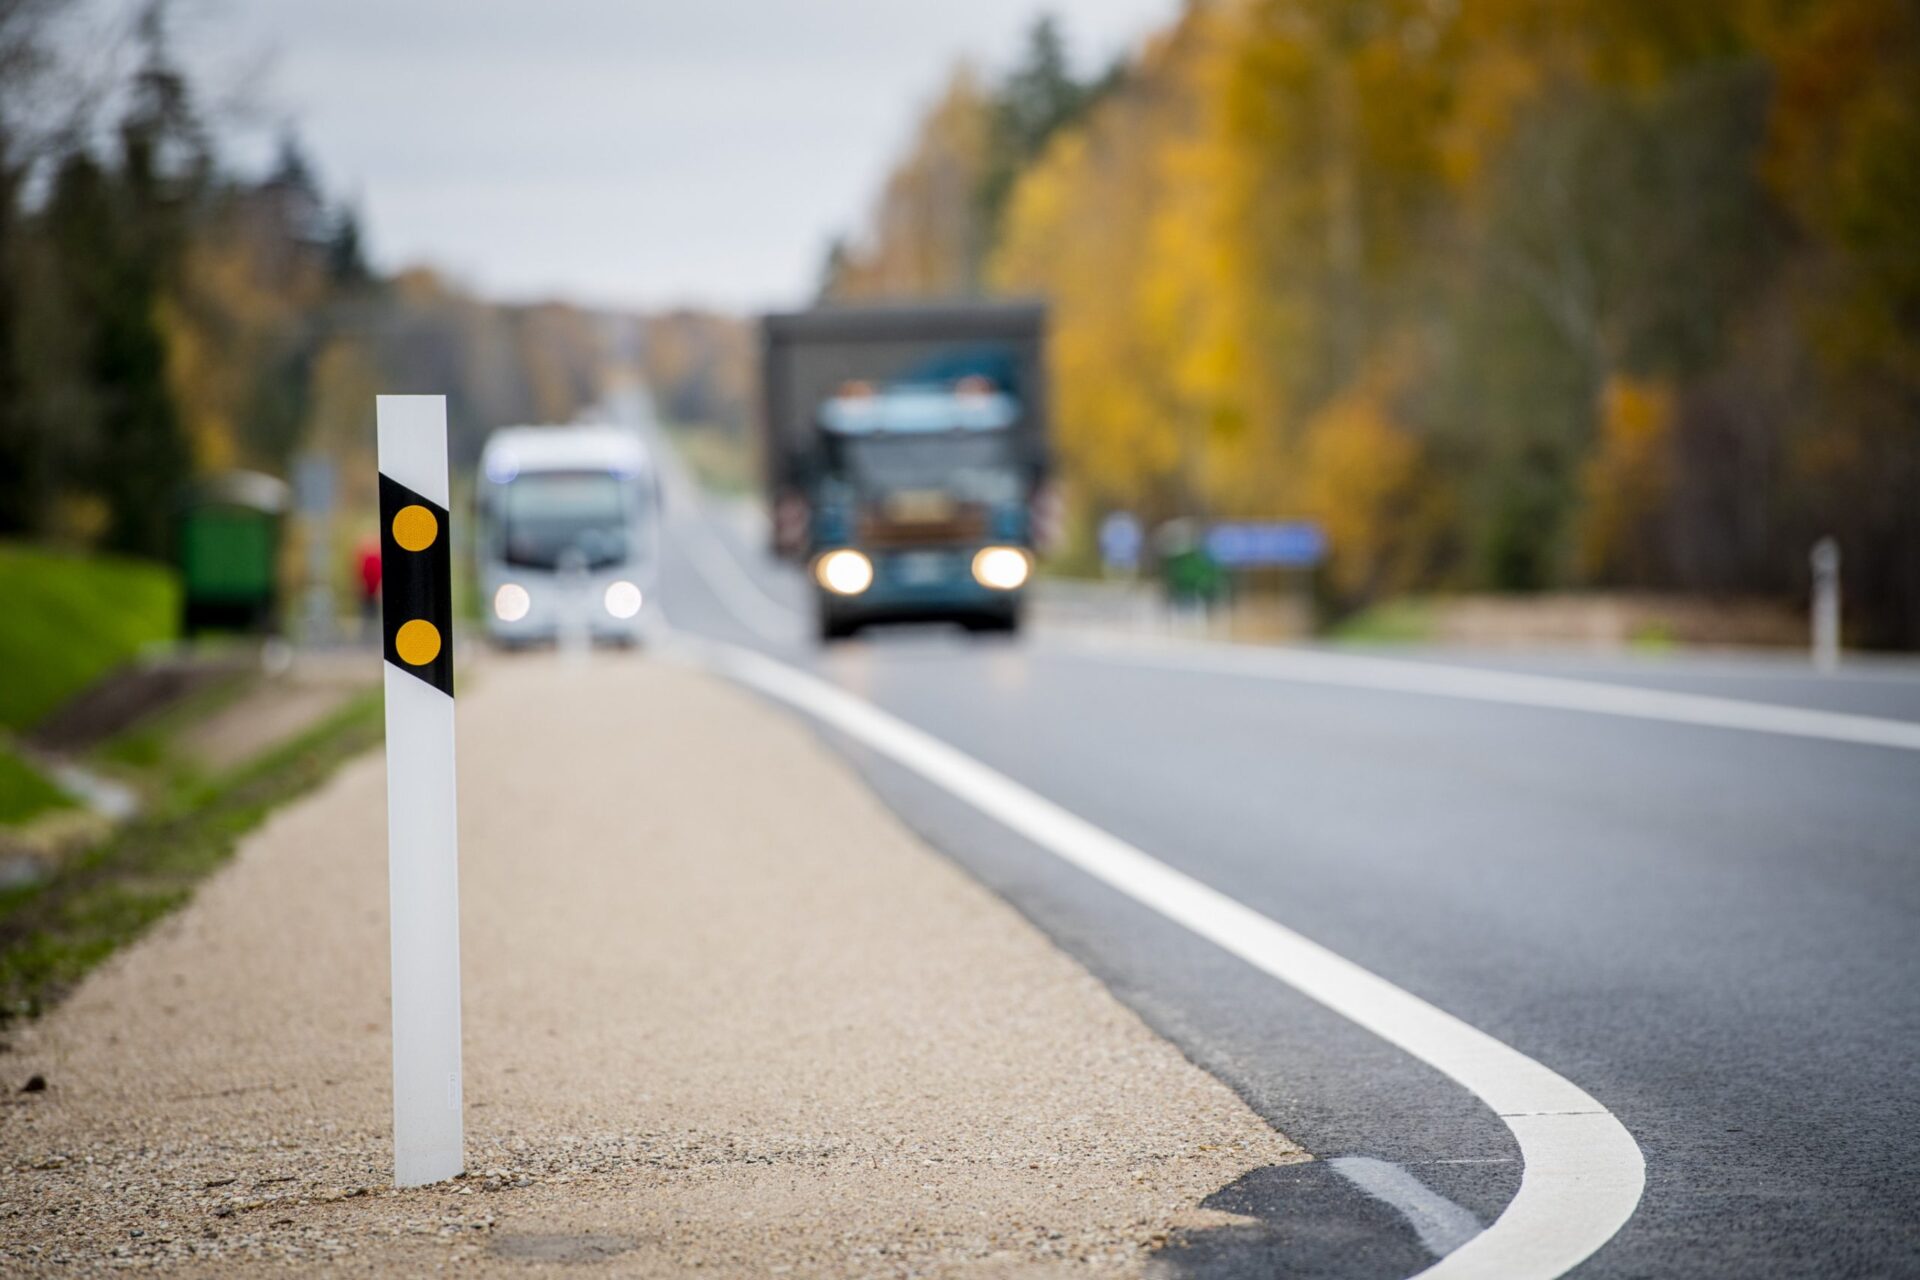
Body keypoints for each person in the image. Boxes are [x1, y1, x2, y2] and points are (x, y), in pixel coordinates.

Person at [356, 534, 382, 642]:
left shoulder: (375, 557)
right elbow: (361, 574)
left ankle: (373, 638)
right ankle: (367, 638)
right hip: (366, 593)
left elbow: (379, 574)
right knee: (366, 616)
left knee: (374, 615)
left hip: (373, 592)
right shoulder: (366, 558)